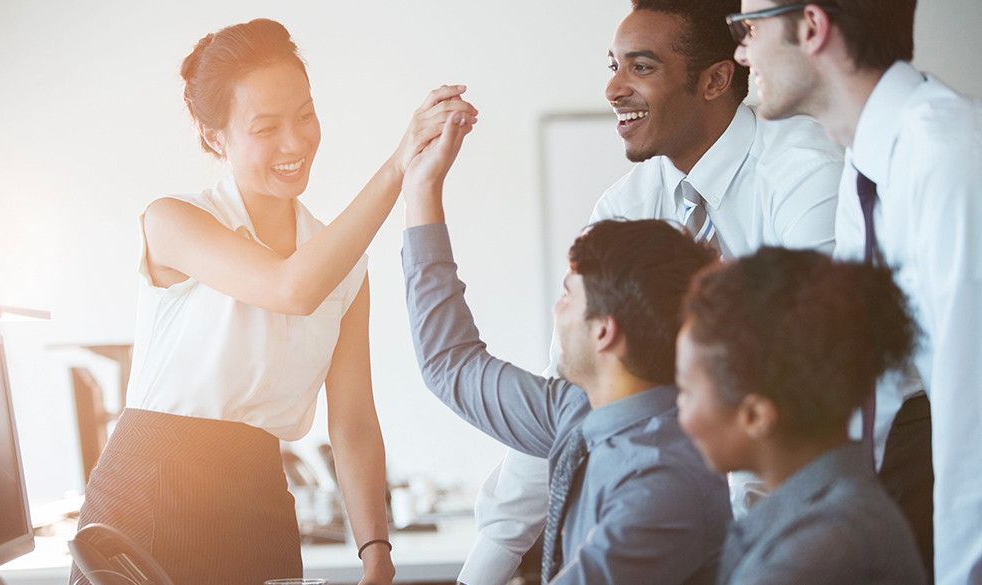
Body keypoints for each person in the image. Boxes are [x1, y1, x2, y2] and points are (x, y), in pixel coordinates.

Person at [69, 18, 476, 585]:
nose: (295, 142)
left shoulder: (343, 264)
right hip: (152, 492)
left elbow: (353, 420)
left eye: (305, 115)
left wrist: (376, 550)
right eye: (266, 127)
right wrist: (397, 167)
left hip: (259, 497)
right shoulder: (173, 221)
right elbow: (290, 288)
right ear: (215, 137)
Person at [460, 1, 843, 582]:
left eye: (641, 67)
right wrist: (487, 564)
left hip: (836, 489)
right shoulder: (625, 206)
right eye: (613, 65)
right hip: (702, 510)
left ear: (716, 78)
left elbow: (807, 387)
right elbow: (574, 389)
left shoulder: (803, 176)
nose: (614, 88)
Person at [400, 112, 731, 584]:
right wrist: (421, 190)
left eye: (568, 296)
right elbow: (451, 365)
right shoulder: (580, 411)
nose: (557, 311)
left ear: (603, 332)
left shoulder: (662, 482)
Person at [730, 1, 982, 582]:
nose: (742, 51)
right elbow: (866, 379)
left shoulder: (948, 159)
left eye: (749, 28)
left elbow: (971, 431)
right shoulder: (865, 168)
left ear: (812, 27)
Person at [676, 247, 928, 585]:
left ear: (755, 416)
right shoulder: (823, 513)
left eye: (686, 393)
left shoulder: (817, 553)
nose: (680, 415)